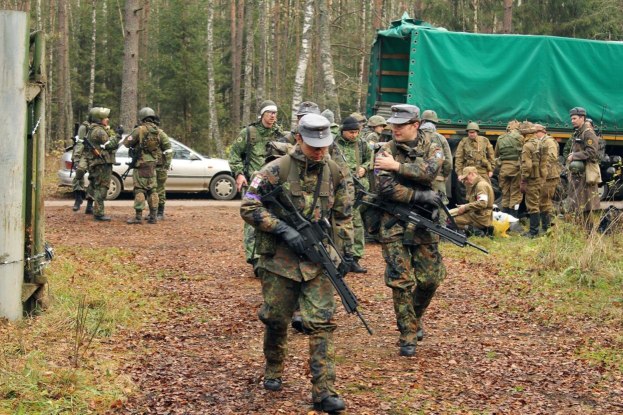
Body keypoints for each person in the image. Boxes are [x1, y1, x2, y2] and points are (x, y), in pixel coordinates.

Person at [240, 113, 353, 413]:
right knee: (276, 319)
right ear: (299, 138)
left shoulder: (336, 172)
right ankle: (274, 367)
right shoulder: (274, 170)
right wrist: (282, 229)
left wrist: (346, 254)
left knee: (322, 324)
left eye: (324, 145)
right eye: (313, 144)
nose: (319, 151)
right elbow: (249, 205)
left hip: (318, 261)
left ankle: (324, 391)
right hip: (280, 262)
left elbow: (343, 216)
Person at [373, 104, 446, 357]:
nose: (395, 129)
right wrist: (418, 194)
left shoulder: (433, 145)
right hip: (394, 222)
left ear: (415, 125)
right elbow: (384, 188)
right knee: (401, 281)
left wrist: (398, 168)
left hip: (425, 222)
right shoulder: (385, 149)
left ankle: (413, 318)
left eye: (400, 125)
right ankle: (407, 333)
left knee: (430, 279)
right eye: (392, 124)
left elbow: (431, 170)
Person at [229, 100, 285, 272]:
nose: (272, 116)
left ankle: (270, 257)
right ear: (262, 114)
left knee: (274, 218)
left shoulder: (280, 135)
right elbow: (234, 155)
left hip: (274, 183)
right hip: (254, 182)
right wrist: (238, 174)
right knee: (253, 218)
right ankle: (254, 259)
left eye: (275, 113)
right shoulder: (248, 133)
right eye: (269, 113)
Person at [330, 115, 370, 273]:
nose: (354, 135)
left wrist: (365, 168)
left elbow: (370, 159)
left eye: (357, 132)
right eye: (351, 132)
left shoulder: (362, 144)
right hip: (339, 188)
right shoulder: (333, 144)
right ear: (343, 131)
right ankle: (338, 255)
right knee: (338, 222)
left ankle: (354, 257)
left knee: (356, 223)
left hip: (357, 189)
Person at [124, 107, 172, 224]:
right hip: (153, 165)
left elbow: (126, 143)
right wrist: (166, 164)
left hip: (140, 164)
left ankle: (138, 217)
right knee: (153, 190)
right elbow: (168, 148)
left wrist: (133, 134)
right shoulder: (159, 132)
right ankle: (153, 216)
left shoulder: (139, 130)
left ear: (142, 118)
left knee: (140, 189)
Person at [82, 107, 119, 221]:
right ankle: (99, 214)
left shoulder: (93, 129)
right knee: (102, 188)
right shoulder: (99, 131)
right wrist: (118, 136)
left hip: (96, 163)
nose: (107, 119)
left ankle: (89, 207)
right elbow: (110, 145)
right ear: (99, 119)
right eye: (105, 118)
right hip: (102, 163)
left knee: (94, 185)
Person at [566, 106, 601, 222]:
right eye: (571, 118)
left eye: (574, 118)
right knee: (578, 203)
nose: (572, 121)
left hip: (585, 173)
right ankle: (580, 229)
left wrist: (574, 156)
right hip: (578, 173)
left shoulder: (588, 133)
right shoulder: (579, 132)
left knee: (587, 204)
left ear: (582, 118)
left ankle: (588, 233)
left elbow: (592, 152)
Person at [519, 121, 546, 237]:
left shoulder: (527, 145)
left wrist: (524, 179)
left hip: (532, 179)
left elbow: (527, 165)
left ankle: (533, 231)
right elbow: (545, 162)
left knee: (532, 204)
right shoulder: (541, 143)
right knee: (538, 202)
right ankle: (540, 228)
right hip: (540, 177)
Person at [450, 167, 494, 234]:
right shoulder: (476, 185)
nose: (466, 181)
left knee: (452, 221)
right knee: (451, 215)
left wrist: (465, 207)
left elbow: (482, 203)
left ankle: (476, 231)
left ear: (472, 174)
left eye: (466, 178)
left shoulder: (481, 185)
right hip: (477, 215)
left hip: (480, 217)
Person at [420, 110, 452, 200]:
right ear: (435, 124)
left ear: (422, 122)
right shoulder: (441, 138)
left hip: (417, 179)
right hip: (437, 179)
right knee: (440, 207)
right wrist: (444, 176)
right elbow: (448, 161)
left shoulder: (415, 136)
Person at [455, 122, 495, 195]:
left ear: (477, 132)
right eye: (470, 132)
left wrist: (491, 169)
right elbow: (459, 158)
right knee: (471, 194)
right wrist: (459, 173)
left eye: (473, 132)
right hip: (470, 172)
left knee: (485, 191)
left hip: (482, 170)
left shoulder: (484, 140)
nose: (471, 134)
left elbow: (491, 155)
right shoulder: (464, 142)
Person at [494, 120, 523, 217]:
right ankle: (513, 219)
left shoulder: (500, 138)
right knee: (515, 194)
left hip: (504, 168)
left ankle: (505, 218)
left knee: (505, 194)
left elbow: (496, 154)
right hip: (516, 169)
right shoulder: (520, 138)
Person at [535, 124, 560, 232]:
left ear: (540, 132)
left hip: (550, 176)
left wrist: (539, 162)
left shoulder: (548, 141)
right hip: (545, 175)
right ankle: (546, 225)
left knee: (545, 201)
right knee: (542, 200)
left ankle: (547, 227)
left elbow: (552, 157)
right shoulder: (542, 141)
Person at [153, 115, 173, 220]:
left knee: (160, 190)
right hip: (151, 166)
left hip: (160, 167)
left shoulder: (161, 134)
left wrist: (166, 166)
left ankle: (160, 212)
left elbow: (168, 150)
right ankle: (153, 211)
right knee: (151, 191)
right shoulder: (149, 134)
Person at [71, 115, 92, 212]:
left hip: (96, 156)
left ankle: (90, 204)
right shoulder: (85, 127)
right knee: (79, 173)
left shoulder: (101, 127)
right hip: (84, 154)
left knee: (95, 179)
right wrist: (76, 158)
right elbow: (80, 142)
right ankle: (78, 199)